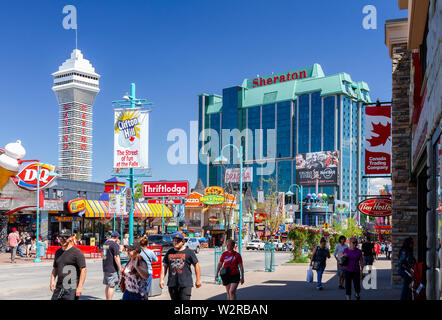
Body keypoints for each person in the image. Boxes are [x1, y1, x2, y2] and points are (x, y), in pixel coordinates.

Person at [160, 232, 202, 300]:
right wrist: (161, 279)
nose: (175, 242)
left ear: (183, 242)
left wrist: (198, 280)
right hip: (172, 284)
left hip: (185, 284)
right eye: (174, 241)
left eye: (178, 241)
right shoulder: (169, 252)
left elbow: (196, 265)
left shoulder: (189, 252)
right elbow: (164, 266)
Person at [50, 229, 87, 300]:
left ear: (70, 238)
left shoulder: (77, 253)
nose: (62, 240)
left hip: (71, 288)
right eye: (60, 237)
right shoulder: (58, 252)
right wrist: (52, 281)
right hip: (59, 286)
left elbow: (83, 270)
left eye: (65, 237)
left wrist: (79, 287)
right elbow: (55, 268)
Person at [102, 231, 123, 300]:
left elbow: (105, 255)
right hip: (112, 267)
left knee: (108, 285)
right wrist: (120, 268)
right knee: (112, 286)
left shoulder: (106, 243)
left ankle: (107, 298)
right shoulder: (114, 244)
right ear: (117, 237)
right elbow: (116, 257)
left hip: (105, 266)